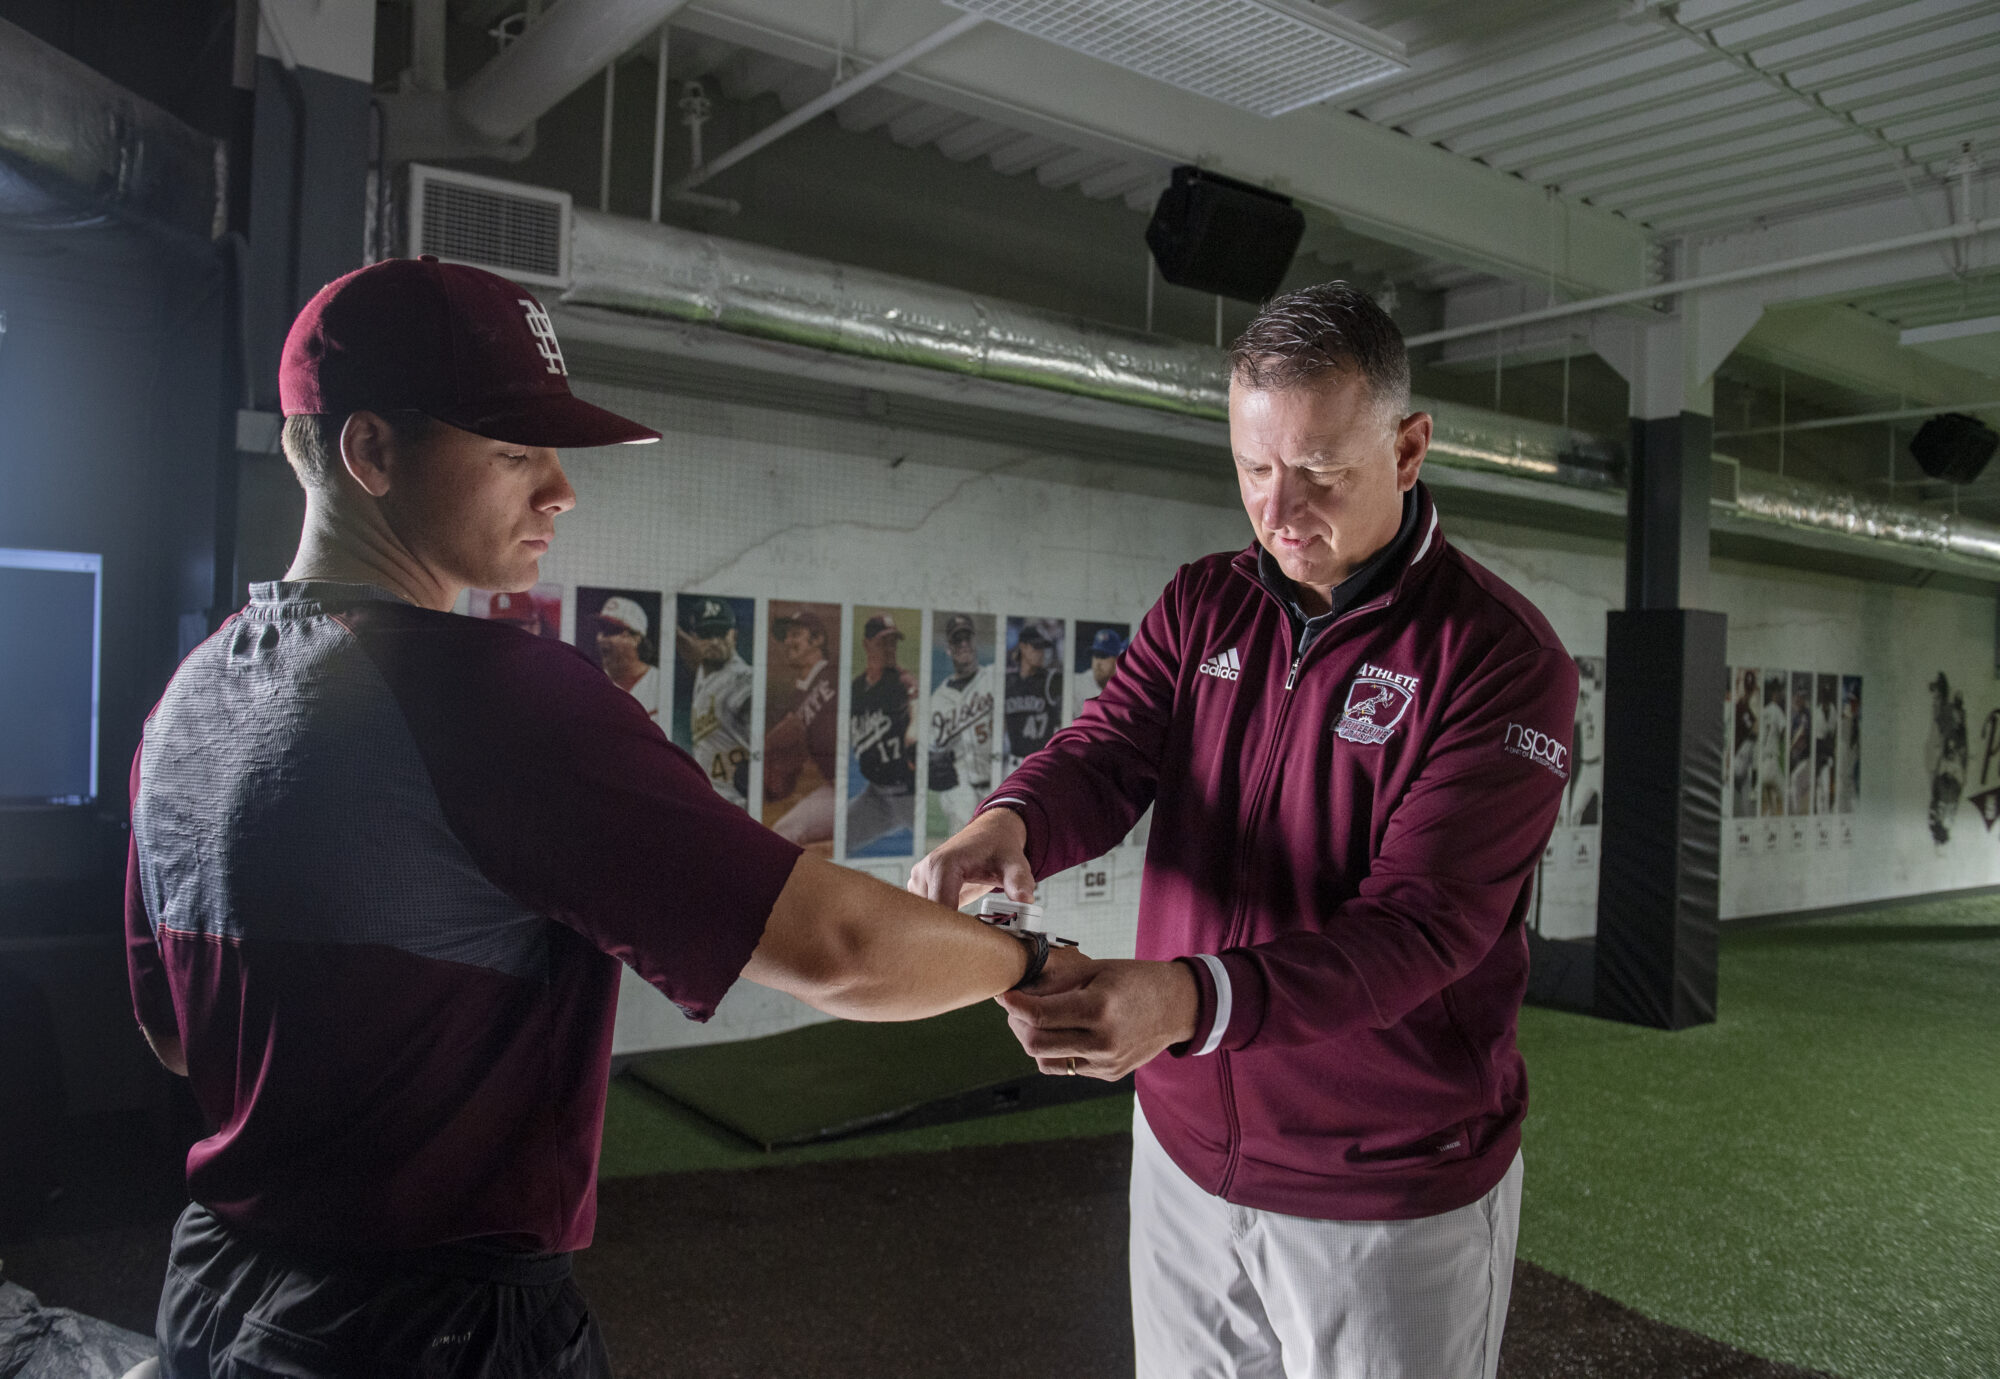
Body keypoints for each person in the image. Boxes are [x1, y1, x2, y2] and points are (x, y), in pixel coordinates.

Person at [124, 256, 1079, 1379]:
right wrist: (1022, 959)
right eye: (513, 449)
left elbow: (174, 1031)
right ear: (369, 450)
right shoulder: (486, 694)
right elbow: (842, 946)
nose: (559, 492)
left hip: (217, 1286)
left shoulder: (190, 696)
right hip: (423, 1328)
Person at [913, 282, 1579, 1379]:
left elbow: (1421, 927)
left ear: (1408, 449)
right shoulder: (1204, 601)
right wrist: (1012, 817)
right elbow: (1109, 746)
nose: (1277, 510)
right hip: (1181, 1153)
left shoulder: (1500, 657)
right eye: (1252, 469)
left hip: (1381, 1186)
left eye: (1318, 471)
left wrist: (1181, 999)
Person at [765, 607, 838, 848]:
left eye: (795, 634)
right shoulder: (796, 698)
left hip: (863, 786)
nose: (787, 641)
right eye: (786, 636)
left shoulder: (836, 673)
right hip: (835, 789)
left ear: (817, 639)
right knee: (783, 832)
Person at [847, 613, 919, 851]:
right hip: (875, 797)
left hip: (909, 796)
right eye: (882, 642)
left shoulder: (903, 682)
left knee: (943, 851)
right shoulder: (856, 689)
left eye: (893, 642)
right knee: (838, 836)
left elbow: (916, 713)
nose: (889, 648)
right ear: (866, 645)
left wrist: (913, 732)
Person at [675, 597, 753, 807]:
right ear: (696, 638)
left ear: (734, 635)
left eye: (721, 633)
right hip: (714, 802)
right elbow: (691, 653)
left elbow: (759, 703)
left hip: (739, 806)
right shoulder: (705, 670)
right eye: (707, 635)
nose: (715, 641)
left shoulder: (742, 677)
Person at [927, 613, 997, 839]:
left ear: (975, 642)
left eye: (967, 638)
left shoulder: (994, 678)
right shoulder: (939, 699)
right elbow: (933, 753)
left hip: (997, 777)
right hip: (961, 786)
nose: (964, 644)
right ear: (949, 648)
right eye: (958, 640)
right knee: (966, 846)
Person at [1001, 622, 1062, 773]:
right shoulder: (1007, 682)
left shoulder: (1050, 680)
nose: (1040, 652)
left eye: (1043, 647)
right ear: (1022, 646)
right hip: (1012, 765)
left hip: (1040, 764)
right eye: (1036, 647)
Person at [592, 594, 660, 720]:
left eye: (610, 630)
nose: (600, 638)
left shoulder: (659, 683)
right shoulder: (593, 686)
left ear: (635, 638)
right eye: (600, 629)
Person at [1080, 625, 1127, 705]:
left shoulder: (1125, 686)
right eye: (1095, 655)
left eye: (1103, 656)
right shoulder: (1080, 684)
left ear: (1116, 660)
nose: (1097, 662)